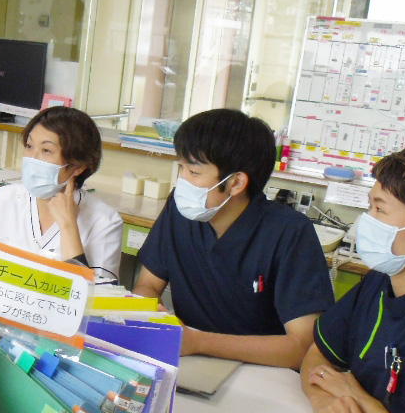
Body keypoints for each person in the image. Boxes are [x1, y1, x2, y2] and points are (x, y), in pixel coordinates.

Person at [134, 108, 334, 369]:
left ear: (236, 183)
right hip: (189, 360)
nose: (182, 180)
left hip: (261, 372)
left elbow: (302, 347)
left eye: (193, 172)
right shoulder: (180, 211)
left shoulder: (289, 232)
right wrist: (151, 315)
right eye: (180, 167)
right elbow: (147, 285)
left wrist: (198, 341)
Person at [302, 145, 405, 413]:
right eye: (369, 206)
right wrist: (323, 400)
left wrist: (362, 402)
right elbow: (318, 355)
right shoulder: (379, 282)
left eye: (380, 210)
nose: (366, 222)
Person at [0, 106, 123, 278]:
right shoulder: (6, 198)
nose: (32, 158)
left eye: (46, 150)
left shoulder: (105, 221)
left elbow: (93, 292)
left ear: (78, 167)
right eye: (29, 146)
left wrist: (68, 226)